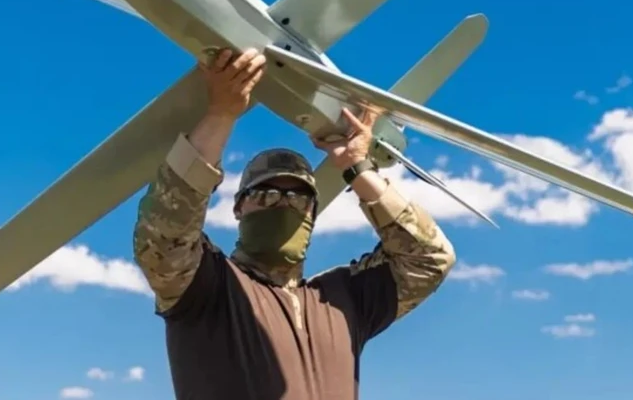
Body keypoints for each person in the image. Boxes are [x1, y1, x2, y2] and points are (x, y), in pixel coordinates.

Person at [132, 47, 457, 399]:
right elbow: (162, 239)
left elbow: (430, 259)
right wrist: (221, 114)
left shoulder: (343, 299)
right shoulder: (209, 288)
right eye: (267, 194)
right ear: (239, 208)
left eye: (299, 198)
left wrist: (358, 168)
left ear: (313, 214)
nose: (284, 204)